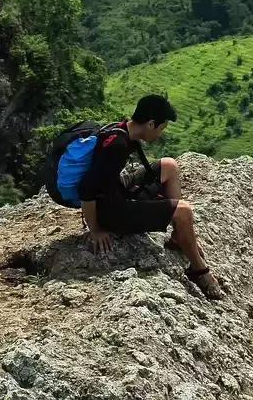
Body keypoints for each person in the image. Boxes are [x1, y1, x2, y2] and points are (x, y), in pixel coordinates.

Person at [76, 94, 224, 299]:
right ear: (151, 123)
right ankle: (199, 270)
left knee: (169, 166)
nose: (161, 134)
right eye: (161, 128)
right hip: (114, 213)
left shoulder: (121, 129)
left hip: (116, 192)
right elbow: (86, 188)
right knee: (184, 211)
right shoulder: (118, 146)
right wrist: (96, 229)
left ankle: (178, 236)